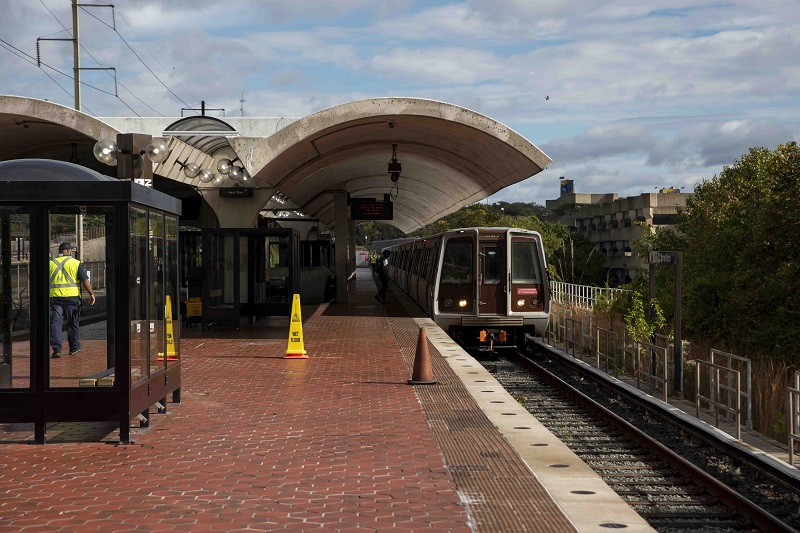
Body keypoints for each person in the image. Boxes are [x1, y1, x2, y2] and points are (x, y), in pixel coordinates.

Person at [50, 242, 95, 358]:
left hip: (55, 298)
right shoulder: (76, 263)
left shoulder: (50, 263)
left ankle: (57, 349)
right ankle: (74, 347)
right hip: (72, 298)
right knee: (72, 323)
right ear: (69, 251)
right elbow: (85, 280)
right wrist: (91, 294)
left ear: (59, 251)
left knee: (56, 323)